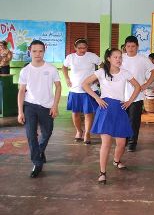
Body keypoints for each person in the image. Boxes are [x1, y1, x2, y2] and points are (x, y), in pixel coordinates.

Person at [82, 48, 141, 184]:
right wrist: (97, 98)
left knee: (121, 143)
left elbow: (137, 87)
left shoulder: (125, 73)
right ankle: (102, 172)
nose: (119, 59)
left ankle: (116, 160)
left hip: (120, 109)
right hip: (106, 108)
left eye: (120, 57)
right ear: (108, 58)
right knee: (106, 143)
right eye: (115, 57)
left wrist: (129, 101)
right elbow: (84, 84)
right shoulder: (101, 72)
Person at [17, 40, 61, 178]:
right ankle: (37, 162)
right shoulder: (25, 71)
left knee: (47, 132)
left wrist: (55, 105)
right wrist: (20, 111)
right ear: (30, 51)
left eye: (40, 51)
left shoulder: (51, 69)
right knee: (31, 135)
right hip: (29, 105)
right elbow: (21, 91)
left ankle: (40, 151)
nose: (37, 54)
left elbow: (58, 87)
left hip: (47, 106)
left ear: (44, 51)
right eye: (34, 51)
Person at [121, 36, 154, 152]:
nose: (130, 49)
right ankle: (123, 140)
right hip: (121, 95)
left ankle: (132, 142)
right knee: (122, 119)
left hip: (137, 96)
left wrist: (146, 85)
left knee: (134, 120)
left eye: (133, 46)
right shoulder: (120, 58)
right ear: (125, 47)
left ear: (137, 47)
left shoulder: (143, 59)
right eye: (128, 46)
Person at [62, 38, 101, 144]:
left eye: (84, 48)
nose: (82, 50)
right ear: (75, 48)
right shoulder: (70, 57)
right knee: (75, 113)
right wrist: (66, 78)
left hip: (90, 89)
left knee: (88, 113)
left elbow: (102, 66)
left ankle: (87, 133)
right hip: (75, 90)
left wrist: (97, 78)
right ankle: (79, 131)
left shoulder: (92, 56)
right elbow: (64, 67)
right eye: (79, 48)